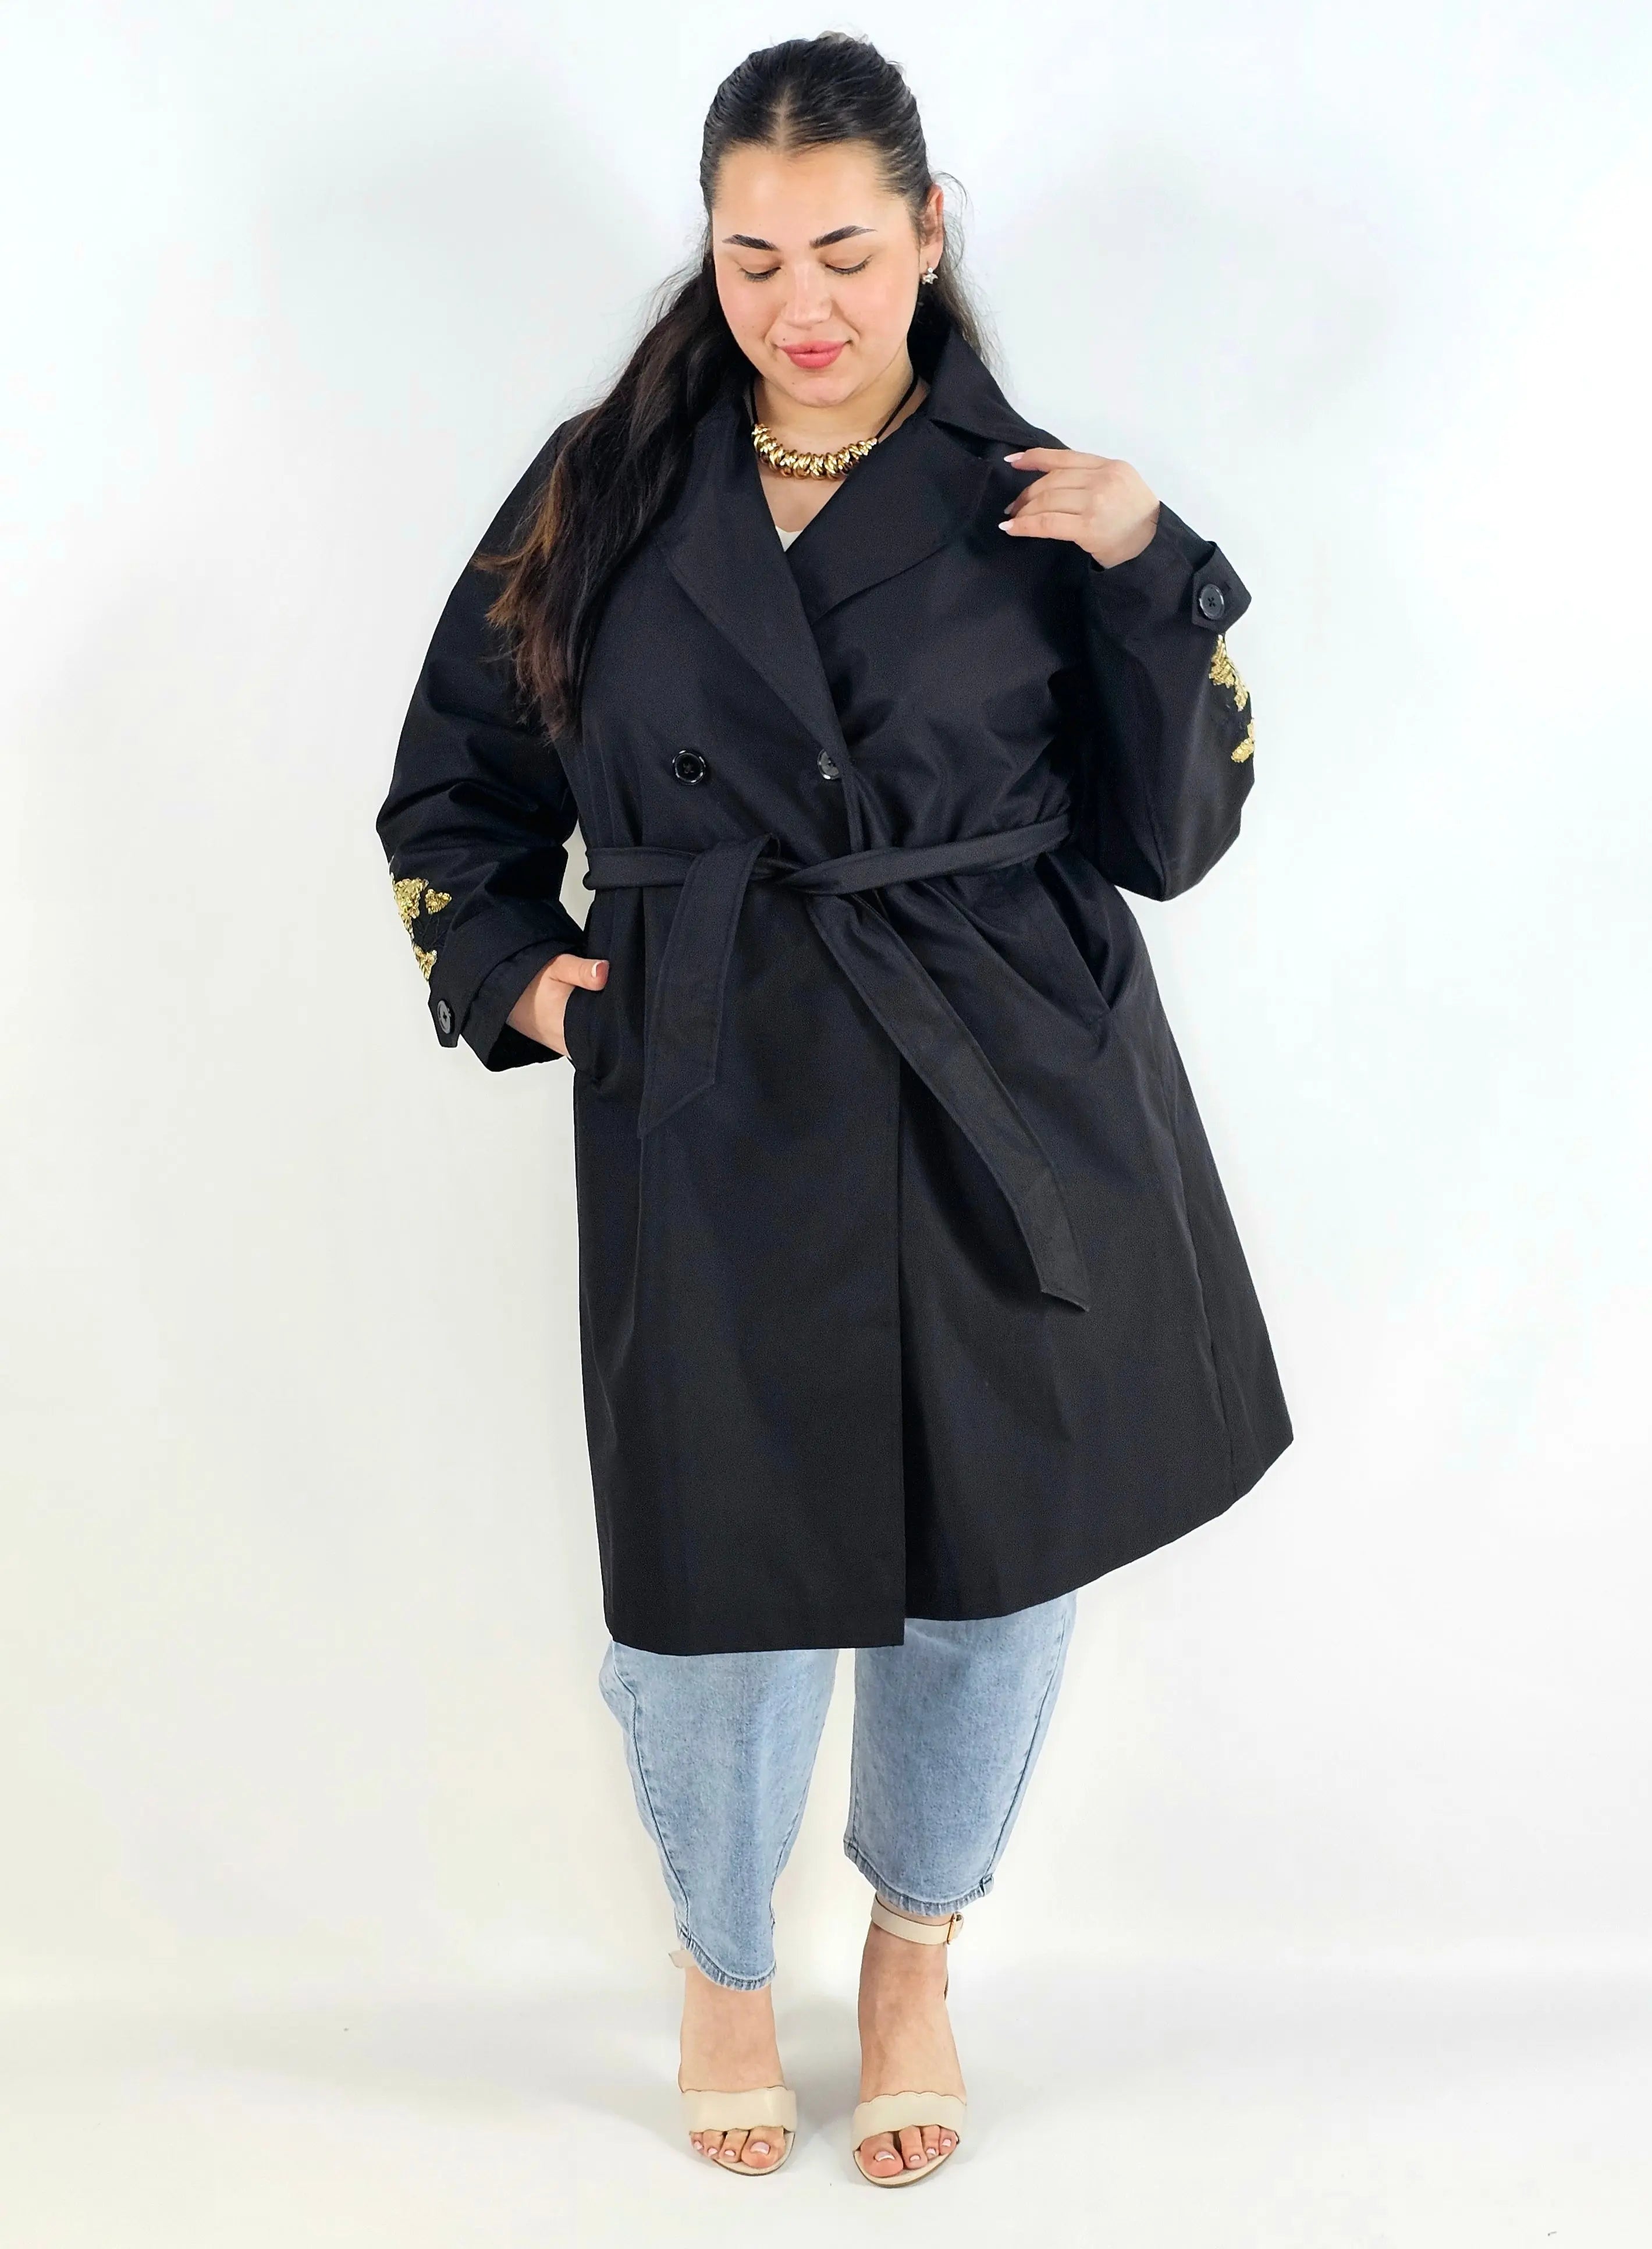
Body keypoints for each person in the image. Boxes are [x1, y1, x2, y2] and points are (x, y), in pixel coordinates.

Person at [375, 31, 1291, 2187]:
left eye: (848, 253)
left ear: (930, 233)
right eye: (753, 254)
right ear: (705, 248)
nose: (801, 303)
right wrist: (517, 974)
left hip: (1007, 1082)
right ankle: (720, 1959)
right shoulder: (602, 486)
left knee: (993, 1567)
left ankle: (910, 1957)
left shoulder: (1044, 498)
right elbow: (454, 788)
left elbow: (1171, 840)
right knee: (716, 1580)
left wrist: (1154, 567)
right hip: (715, 1077)